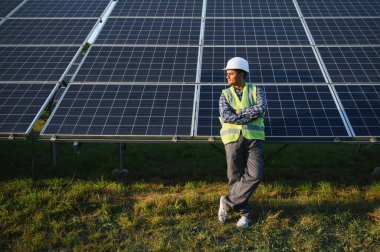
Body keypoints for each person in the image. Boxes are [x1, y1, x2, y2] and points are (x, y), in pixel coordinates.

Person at [217, 57, 267, 228]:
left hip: (254, 138)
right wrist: (247, 115)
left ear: (241, 74)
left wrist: (240, 112)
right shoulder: (225, 94)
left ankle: (227, 203)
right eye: (227, 74)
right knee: (235, 177)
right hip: (232, 139)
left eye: (230, 74)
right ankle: (245, 214)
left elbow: (260, 109)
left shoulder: (256, 90)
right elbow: (226, 116)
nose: (227, 77)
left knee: (255, 175)